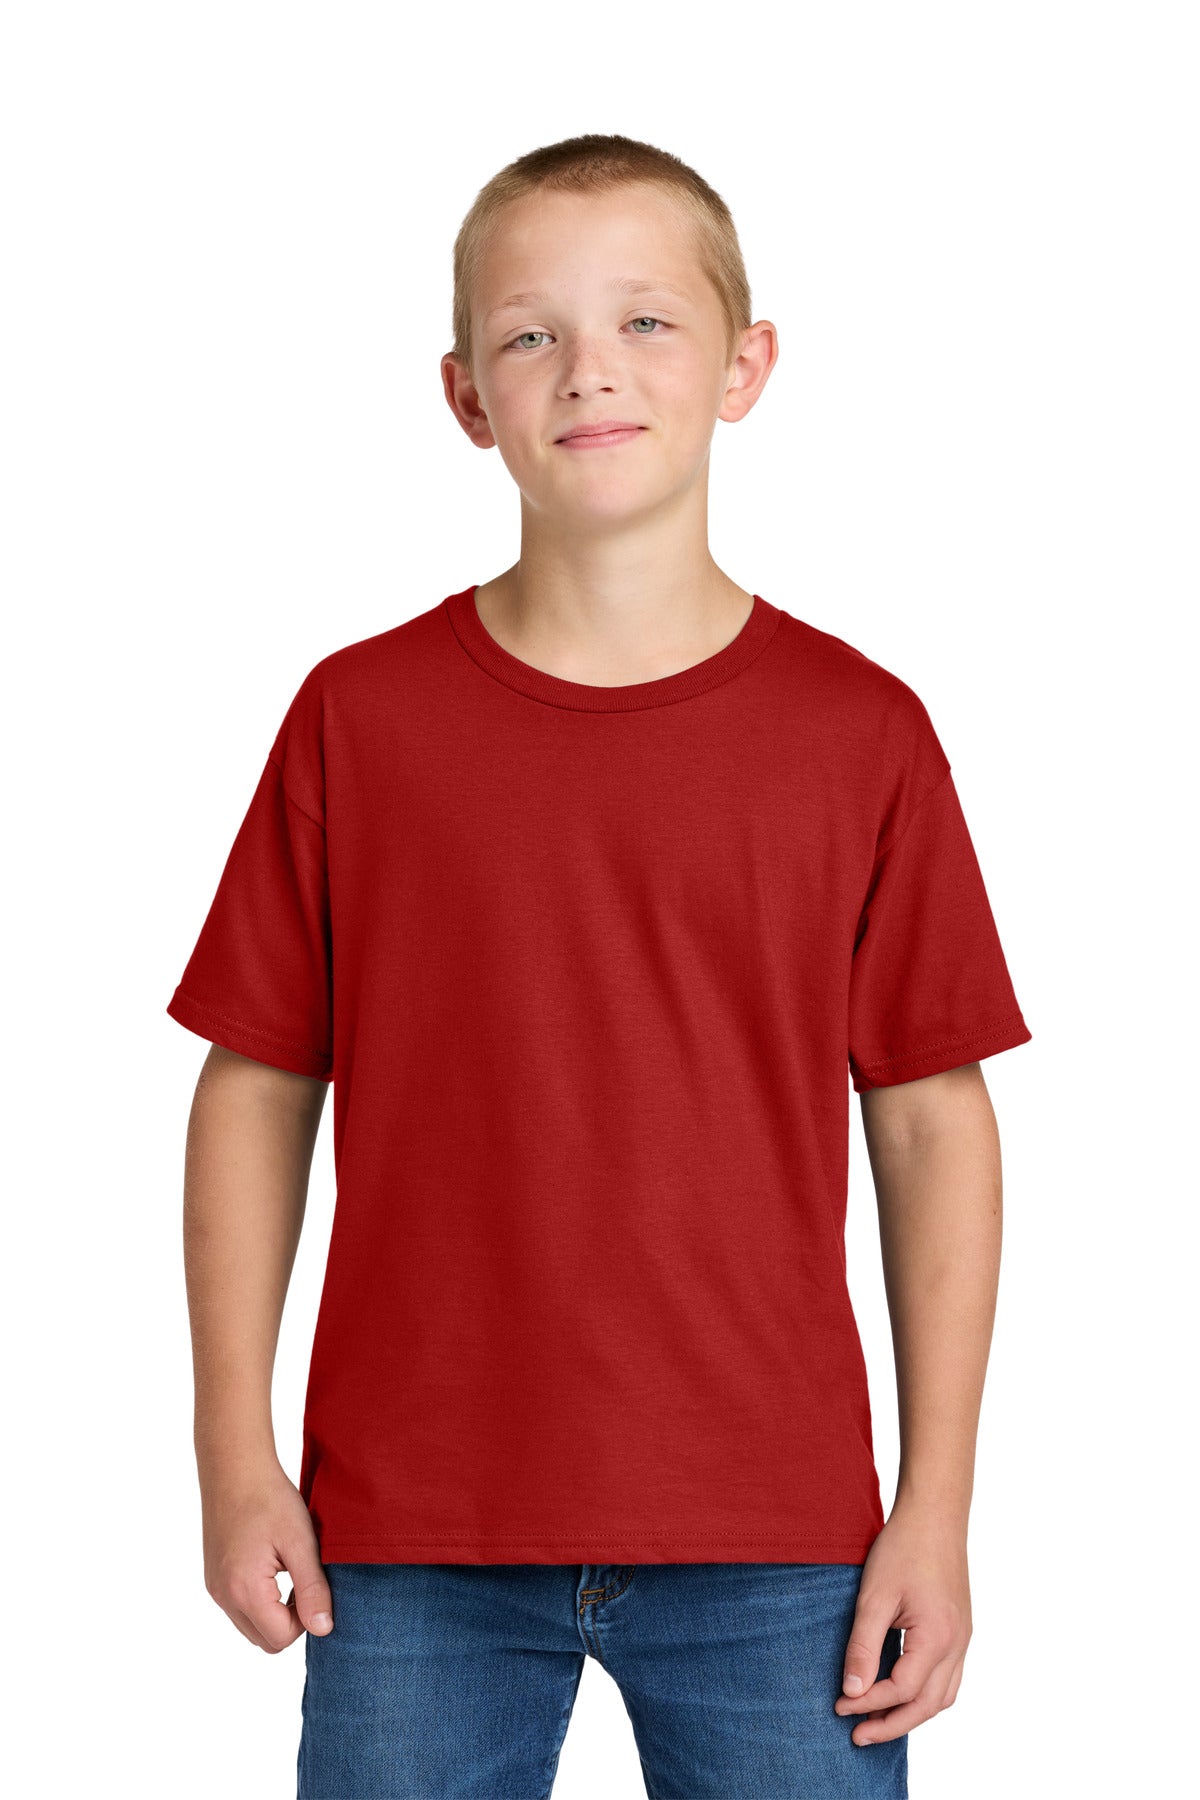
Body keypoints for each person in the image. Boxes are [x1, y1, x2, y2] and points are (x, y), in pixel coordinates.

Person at [167, 133, 1032, 1799]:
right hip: (411, 1530)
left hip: (778, 1533)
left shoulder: (861, 734)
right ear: (465, 397)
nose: (590, 371)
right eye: (530, 334)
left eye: (645, 321)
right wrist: (231, 1454)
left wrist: (937, 1507)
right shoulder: (359, 719)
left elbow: (933, 1120)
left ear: (745, 365)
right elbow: (254, 1086)